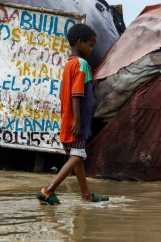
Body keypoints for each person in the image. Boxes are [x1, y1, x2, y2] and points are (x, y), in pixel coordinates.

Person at [36, 24, 109, 204]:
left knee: (77, 157)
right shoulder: (81, 64)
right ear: (80, 42)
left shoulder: (69, 64)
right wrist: (77, 120)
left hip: (68, 119)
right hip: (77, 121)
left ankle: (86, 195)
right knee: (78, 156)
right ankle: (49, 189)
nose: (91, 49)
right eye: (90, 45)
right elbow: (77, 94)